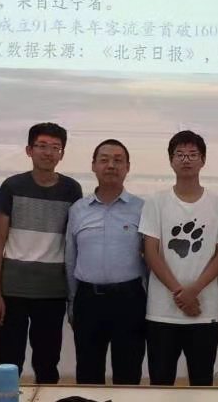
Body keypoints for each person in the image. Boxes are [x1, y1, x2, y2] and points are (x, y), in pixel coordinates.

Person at [139, 130, 218, 386]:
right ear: (171, 160)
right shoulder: (156, 202)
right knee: (160, 384)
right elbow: (150, 252)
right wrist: (181, 293)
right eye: (179, 154)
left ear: (203, 160)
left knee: (202, 384)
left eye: (193, 154)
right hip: (161, 312)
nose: (186, 159)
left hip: (204, 311)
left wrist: (193, 291)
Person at [0, 122, 82, 384]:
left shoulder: (71, 190)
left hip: (52, 291)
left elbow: (74, 243)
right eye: (42, 146)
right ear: (29, 150)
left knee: (47, 363)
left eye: (55, 147)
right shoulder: (12, 186)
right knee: (7, 363)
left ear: (62, 154)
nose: (48, 152)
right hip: (13, 290)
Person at [64, 139, 146, 384]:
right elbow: (71, 258)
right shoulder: (78, 209)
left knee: (128, 374)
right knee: (88, 374)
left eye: (118, 160)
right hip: (88, 300)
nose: (111, 165)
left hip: (130, 300)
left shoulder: (142, 208)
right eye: (104, 160)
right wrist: (72, 301)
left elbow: (151, 258)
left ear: (128, 167)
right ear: (93, 166)